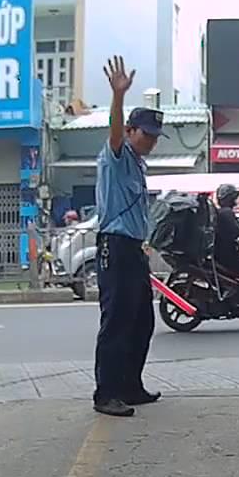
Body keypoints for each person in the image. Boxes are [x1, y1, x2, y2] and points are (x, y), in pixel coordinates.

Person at [92, 55, 165, 417]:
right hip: (116, 246)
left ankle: (130, 386)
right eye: (145, 134)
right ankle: (106, 393)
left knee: (141, 322)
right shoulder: (117, 156)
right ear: (131, 131)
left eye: (154, 136)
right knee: (117, 322)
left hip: (134, 248)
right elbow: (114, 131)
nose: (151, 141)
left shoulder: (137, 164)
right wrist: (118, 96)